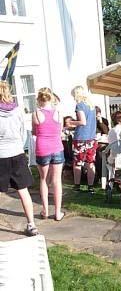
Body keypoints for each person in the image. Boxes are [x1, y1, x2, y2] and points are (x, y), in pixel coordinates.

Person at [0, 81, 38, 236]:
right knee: (23, 190)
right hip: (17, 152)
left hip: (1, 154)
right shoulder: (18, 110)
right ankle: (31, 224)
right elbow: (23, 131)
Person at [32, 87, 65, 221]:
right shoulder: (58, 113)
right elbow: (60, 130)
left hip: (42, 148)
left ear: (39, 99)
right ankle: (57, 213)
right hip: (57, 147)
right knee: (57, 181)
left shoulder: (36, 113)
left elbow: (34, 132)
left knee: (44, 180)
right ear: (51, 98)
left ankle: (45, 211)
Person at [69, 86, 97, 193]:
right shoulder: (91, 106)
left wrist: (71, 122)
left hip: (81, 137)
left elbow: (82, 122)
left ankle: (77, 185)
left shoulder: (79, 105)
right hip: (91, 137)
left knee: (78, 162)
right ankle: (91, 186)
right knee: (90, 162)